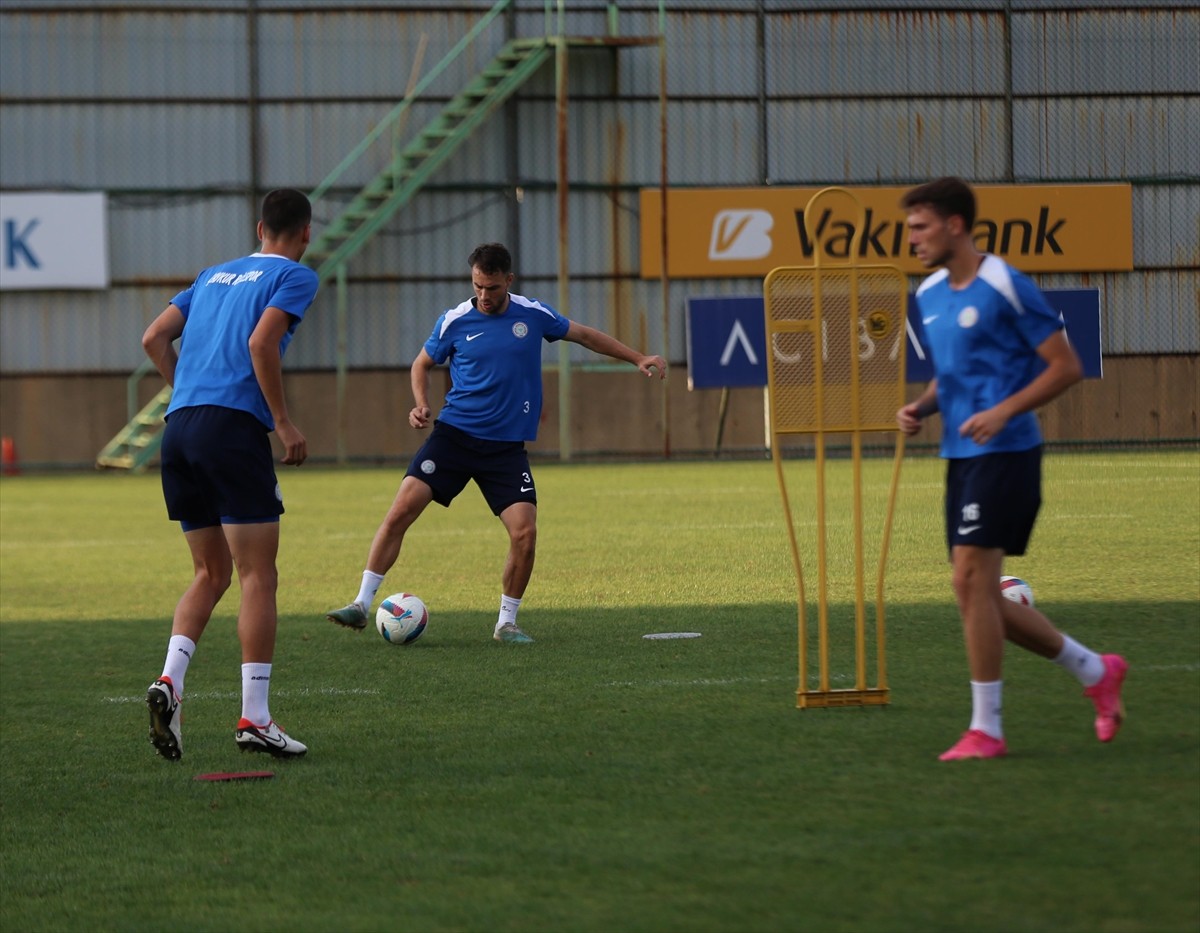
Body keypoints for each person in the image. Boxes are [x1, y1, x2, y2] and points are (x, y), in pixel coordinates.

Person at [326, 242, 667, 644]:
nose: (484, 296)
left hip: (505, 449)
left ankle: (506, 623)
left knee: (525, 533)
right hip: (453, 437)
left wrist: (637, 357)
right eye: (477, 287)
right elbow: (422, 363)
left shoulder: (533, 314)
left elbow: (586, 336)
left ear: (509, 280)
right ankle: (362, 605)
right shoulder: (455, 319)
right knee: (401, 509)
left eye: (492, 288)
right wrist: (421, 403)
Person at [896, 176, 1127, 761]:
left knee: (972, 583)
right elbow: (952, 377)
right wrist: (922, 407)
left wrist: (1002, 411)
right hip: (960, 455)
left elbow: (1065, 366)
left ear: (955, 225)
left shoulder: (1004, 283)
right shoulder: (927, 295)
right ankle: (1095, 670)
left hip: (1008, 452)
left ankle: (987, 730)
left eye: (919, 227)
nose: (911, 240)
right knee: (973, 590)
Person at [140, 187, 319, 761]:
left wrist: (189, 392)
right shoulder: (294, 276)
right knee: (256, 575)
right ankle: (255, 718)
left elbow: (153, 338)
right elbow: (262, 342)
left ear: (258, 226)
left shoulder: (213, 274)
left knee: (208, 572)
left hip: (181, 427)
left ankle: (169, 681)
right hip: (233, 430)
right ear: (304, 233)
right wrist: (284, 423)